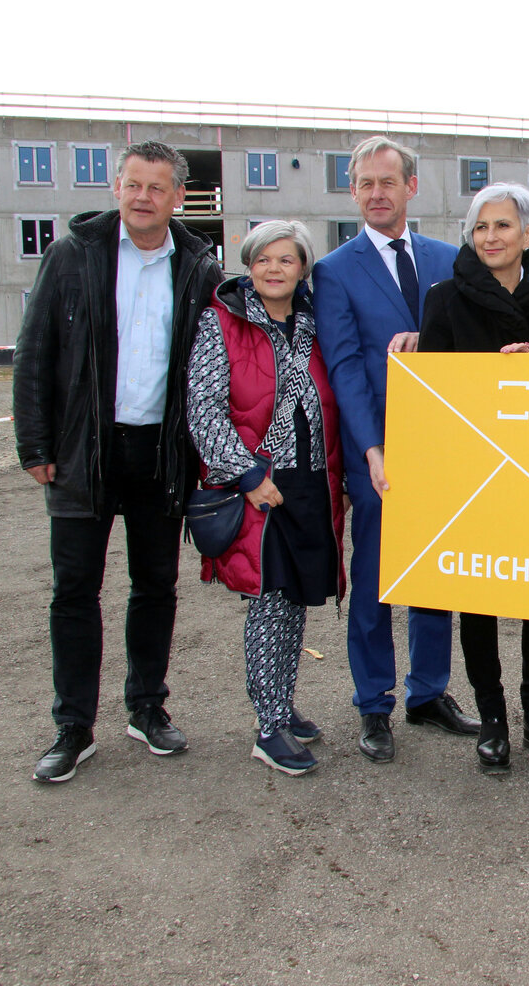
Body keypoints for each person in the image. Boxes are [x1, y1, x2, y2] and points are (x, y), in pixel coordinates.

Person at [14, 140, 223, 783]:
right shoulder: (72, 255)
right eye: (133, 184)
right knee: (75, 589)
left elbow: (217, 359)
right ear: (116, 188)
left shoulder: (199, 267)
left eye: (157, 187)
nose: (142, 197)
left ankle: (147, 707)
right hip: (84, 450)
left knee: (155, 586)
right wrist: (35, 444)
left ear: (178, 197)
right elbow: (35, 349)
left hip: (161, 452)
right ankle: (73, 727)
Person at [314, 136, 478, 763]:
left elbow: (469, 347)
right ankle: (374, 701)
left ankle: (428, 692)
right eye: (365, 183)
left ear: (411, 186)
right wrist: (371, 448)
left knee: (437, 571)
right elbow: (344, 367)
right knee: (377, 577)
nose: (377, 193)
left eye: (388, 181)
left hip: (444, 448)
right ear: (352, 192)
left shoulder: (451, 259)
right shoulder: (335, 270)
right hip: (377, 451)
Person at [417, 183, 529, 773]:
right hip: (476, 471)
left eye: (503, 225)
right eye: (480, 226)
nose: (490, 237)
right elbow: (433, 396)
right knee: (478, 599)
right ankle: (492, 718)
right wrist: (494, 377)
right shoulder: (443, 299)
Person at [186, 220, 347, 776]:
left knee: (295, 599)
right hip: (259, 484)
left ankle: (282, 701)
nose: (274, 269)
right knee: (269, 602)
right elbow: (204, 410)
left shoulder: (315, 324)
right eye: (262, 259)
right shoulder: (221, 322)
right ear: (248, 267)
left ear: (303, 268)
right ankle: (269, 724)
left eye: (286, 259)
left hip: (311, 482)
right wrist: (247, 475)